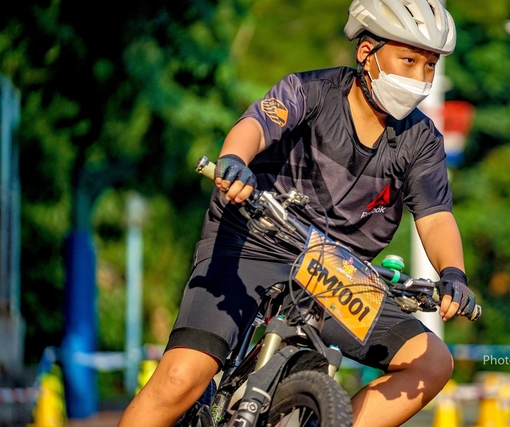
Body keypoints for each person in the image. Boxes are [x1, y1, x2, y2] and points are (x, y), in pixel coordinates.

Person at [118, 0, 477, 426]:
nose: (421, 78)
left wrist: (453, 273)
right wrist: (234, 161)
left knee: (433, 362)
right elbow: (256, 125)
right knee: (181, 378)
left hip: (334, 272)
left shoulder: (422, 140)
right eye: (409, 60)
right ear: (367, 52)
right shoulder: (309, 91)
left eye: (430, 65)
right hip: (254, 240)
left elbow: (435, 216)